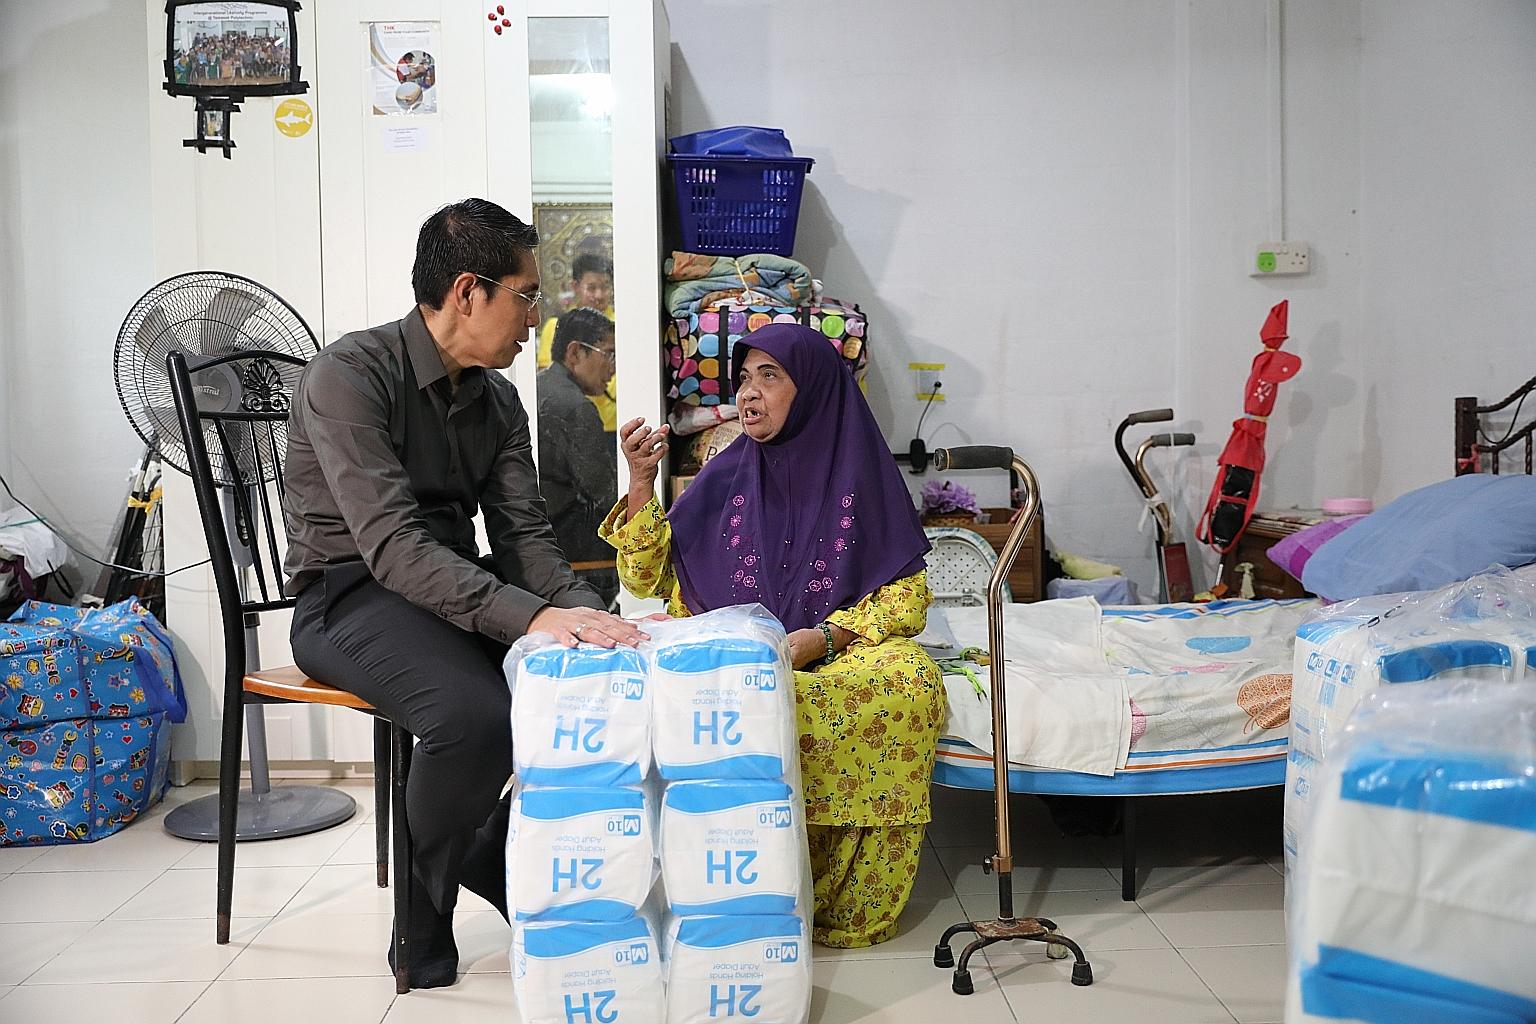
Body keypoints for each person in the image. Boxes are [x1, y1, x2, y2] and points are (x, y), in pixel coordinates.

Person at [282, 197, 648, 989]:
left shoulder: (499, 399)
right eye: (527, 295)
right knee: (473, 716)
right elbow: (393, 548)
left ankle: (491, 849)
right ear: (468, 292)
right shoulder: (348, 376)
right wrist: (536, 615)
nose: (535, 317)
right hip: (348, 598)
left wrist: (586, 621)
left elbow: (523, 536)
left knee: (592, 682)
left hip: (449, 591)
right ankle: (426, 912)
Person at [601, 323, 946, 948]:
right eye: (743, 379)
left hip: (831, 651)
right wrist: (640, 483)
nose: (750, 395)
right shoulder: (726, 470)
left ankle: (848, 905)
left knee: (910, 681)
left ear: (811, 388)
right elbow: (644, 575)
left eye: (769, 376)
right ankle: (740, 892)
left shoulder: (861, 473)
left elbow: (908, 595)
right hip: (737, 652)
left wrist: (828, 637)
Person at [536, 307, 619, 607]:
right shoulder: (576, 408)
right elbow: (604, 496)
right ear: (575, 353)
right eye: (608, 354)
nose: (612, 367)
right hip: (574, 553)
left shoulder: (541, 389)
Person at [536, 251, 617, 432]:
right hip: (573, 421)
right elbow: (550, 380)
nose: (599, 295)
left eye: (605, 287)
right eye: (591, 288)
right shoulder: (557, 325)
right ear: (575, 286)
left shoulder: (621, 326)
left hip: (615, 424)